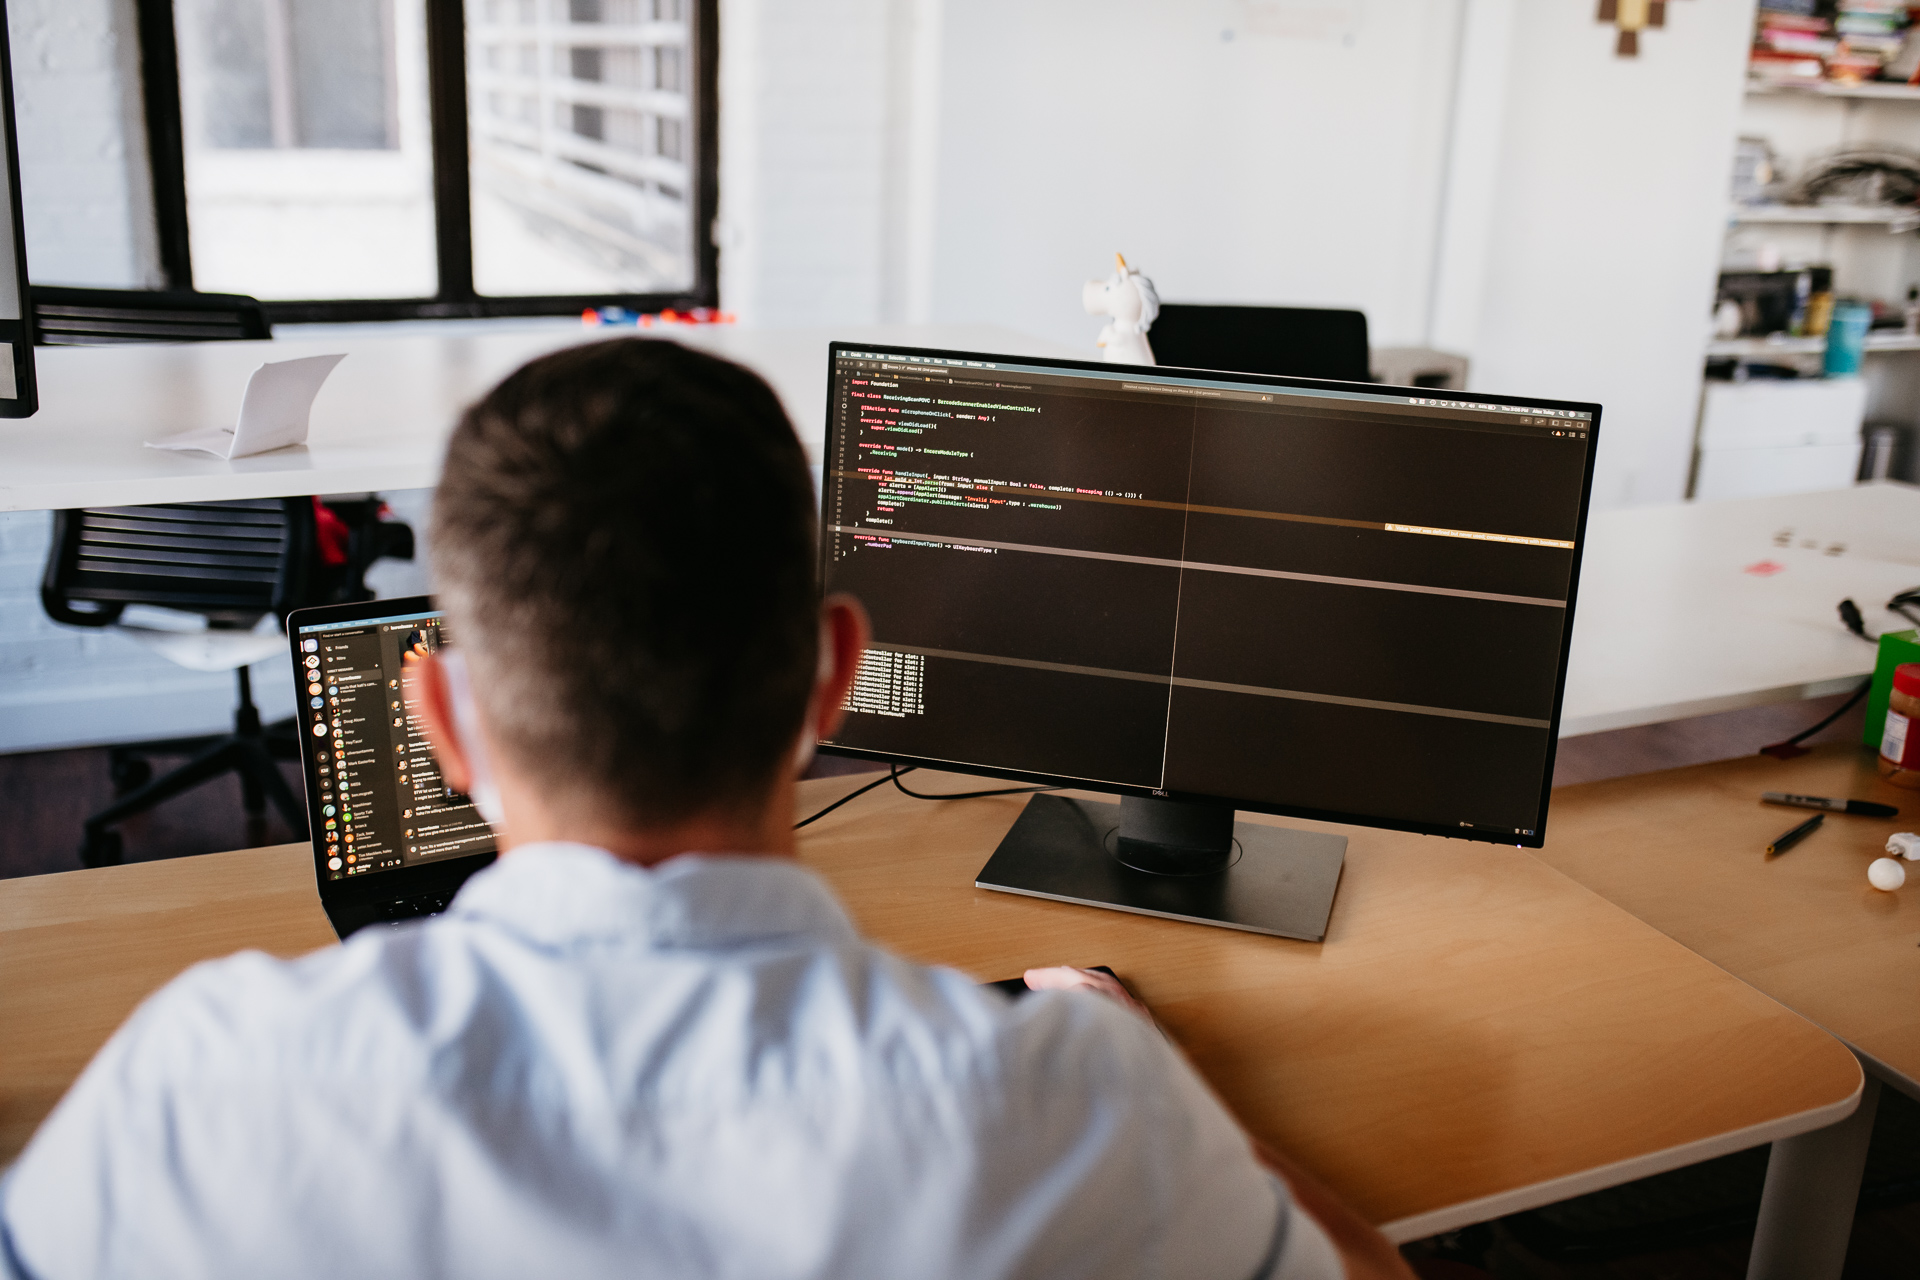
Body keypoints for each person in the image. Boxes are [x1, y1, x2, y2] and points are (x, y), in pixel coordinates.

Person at [0, 340, 1410, 1280]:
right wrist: (1185, 1108)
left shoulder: (199, 1088)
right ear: (835, 676)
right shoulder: (1070, 1107)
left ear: (441, 723)